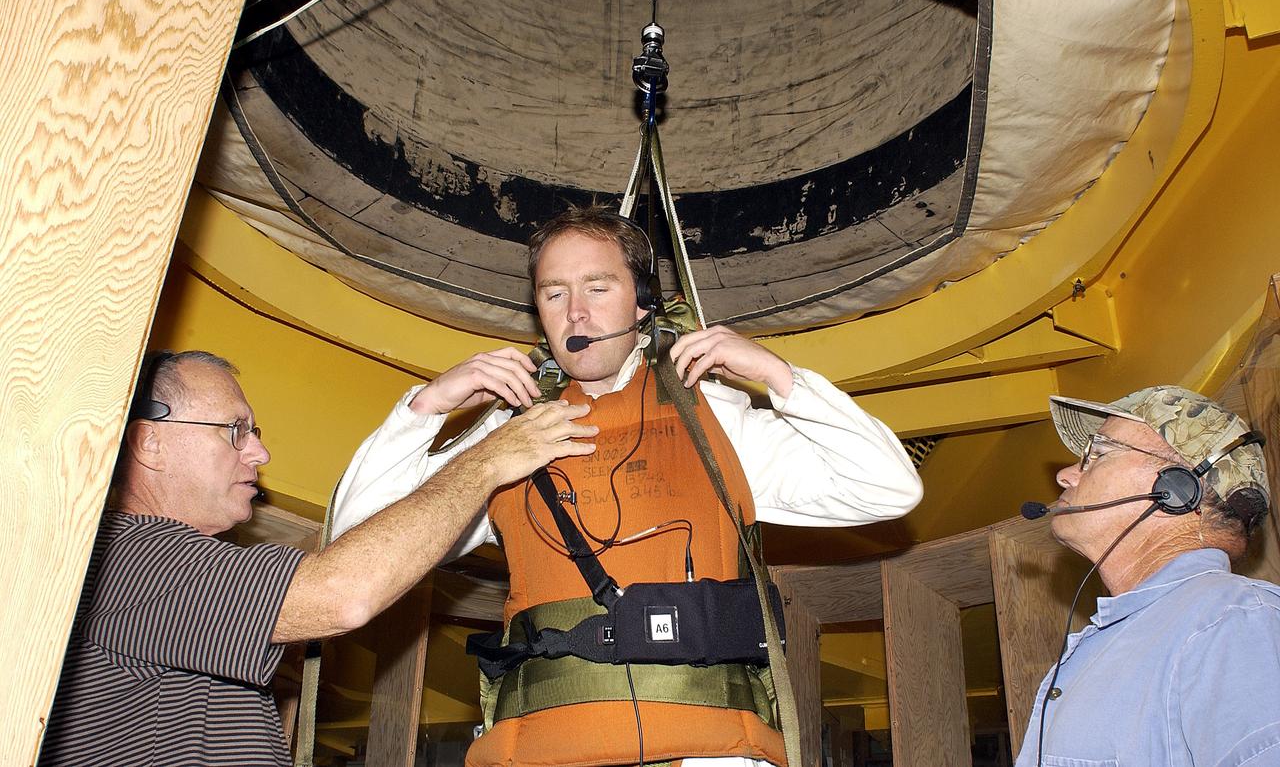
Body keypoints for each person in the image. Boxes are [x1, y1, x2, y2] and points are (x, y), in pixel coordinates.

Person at [332, 208, 923, 767]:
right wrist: (424, 409)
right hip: (536, 749)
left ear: (642, 303)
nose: (576, 316)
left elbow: (890, 487)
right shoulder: (507, 435)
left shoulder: (712, 415)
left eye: (598, 287)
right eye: (554, 293)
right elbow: (354, 548)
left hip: (709, 751)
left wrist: (778, 376)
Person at [38, 350, 596, 767]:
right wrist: (488, 459)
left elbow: (361, 547)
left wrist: (425, 410)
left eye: (253, 432)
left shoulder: (169, 575)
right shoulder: (122, 558)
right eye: (234, 431)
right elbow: (344, 591)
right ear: (148, 444)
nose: (259, 452)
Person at [1014, 385, 1280, 766]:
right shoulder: (1130, 638)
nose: (1065, 475)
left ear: (1175, 489)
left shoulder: (1233, 622)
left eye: (1097, 455)